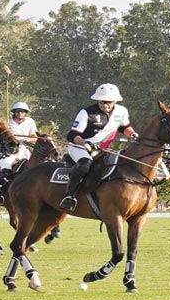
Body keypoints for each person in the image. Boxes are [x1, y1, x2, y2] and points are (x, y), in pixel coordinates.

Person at [59, 83, 138, 212]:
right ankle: (69, 196)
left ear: (115, 101)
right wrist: (84, 143)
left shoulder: (122, 111)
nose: (105, 105)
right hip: (80, 147)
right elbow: (72, 135)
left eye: (108, 102)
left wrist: (132, 134)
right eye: (102, 102)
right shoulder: (86, 113)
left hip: (102, 149)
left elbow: (124, 127)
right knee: (85, 165)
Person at [0, 101, 38, 206]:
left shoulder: (30, 122)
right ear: (14, 112)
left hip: (24, 150)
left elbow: (35, 137)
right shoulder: (7, 122)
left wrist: (26, 139)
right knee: (6, 164)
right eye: (18, 111)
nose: (20, 113)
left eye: (23, 112)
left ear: (26, 113)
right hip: (11, 151)